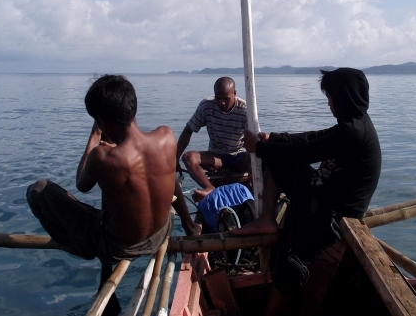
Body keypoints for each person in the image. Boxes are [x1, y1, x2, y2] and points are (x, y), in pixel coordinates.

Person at [26, 75, 198, 298]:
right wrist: (188, 223)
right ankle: (185, 224)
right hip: (160, 232)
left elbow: (82, 184)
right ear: (133, 108)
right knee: (120, 181)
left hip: (119, 247)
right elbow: (170, 179)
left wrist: (95, 136)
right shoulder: (166, 137)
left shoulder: (102, 157)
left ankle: (79, 246)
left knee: (38, 189)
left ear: (101, 120)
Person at [233, 67, 382, 316]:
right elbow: (312, 137)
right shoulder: (352, 125)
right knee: (280, 157)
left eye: (331, 98)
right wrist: (275, 138)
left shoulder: (354, 132)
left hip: (333, 214)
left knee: (290, 261)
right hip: (322, 194)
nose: (329, 104)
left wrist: (259, 148)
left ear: (343, 98)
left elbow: (305, 152)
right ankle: (267, 219)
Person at [176, 76, 250, 201]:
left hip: (239, 155)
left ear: (235, 94)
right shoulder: (207, 106)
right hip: (216, 156)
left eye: (226, 99)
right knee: (188, 158)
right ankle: (209, 188)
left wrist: (253, 176)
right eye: (218, 98)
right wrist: (175, 158)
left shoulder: (244, 109)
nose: (221, 102)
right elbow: (188, 130)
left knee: (261, 159)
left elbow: (253, 141)